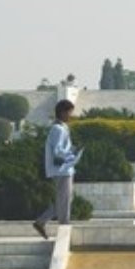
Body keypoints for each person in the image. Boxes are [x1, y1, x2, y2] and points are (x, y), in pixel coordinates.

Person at [33, 100, 81, 239]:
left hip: (64, 170)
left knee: (64, 199)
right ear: (62, 112)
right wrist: (72, 154)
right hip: (62, 170)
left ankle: (41, 221)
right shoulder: (58, 129)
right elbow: (58, 150)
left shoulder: (62, 128)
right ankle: (64, 227)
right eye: (69, 112)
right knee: (64, 200)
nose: (70, 115)